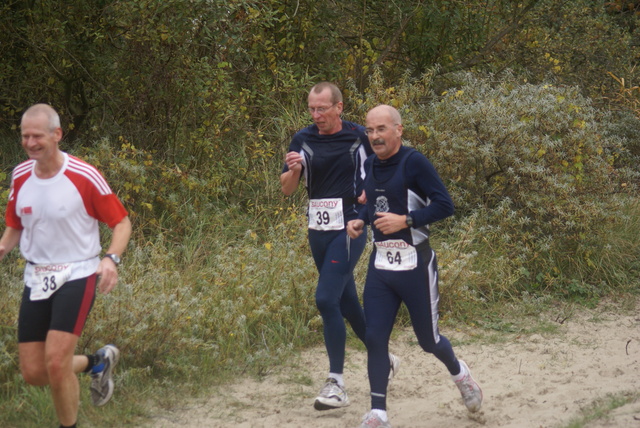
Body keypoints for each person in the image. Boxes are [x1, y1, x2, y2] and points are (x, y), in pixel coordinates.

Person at [346, 105, 483, 428]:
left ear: (398, 130)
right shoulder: (369, 163)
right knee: (375, 337)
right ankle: (378, 412)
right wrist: (359, 221)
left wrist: (406, 220)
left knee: (428, 341)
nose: (375, 136)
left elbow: (445, 205)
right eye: (370, 130)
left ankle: (461, 375)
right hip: (381, 265)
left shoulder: (414, 162)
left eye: (381, 129)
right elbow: (377, 206)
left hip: (415, 265)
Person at [0, 104, 132, 428]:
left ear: (57, 134)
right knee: (33, 372)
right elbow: (16, 224)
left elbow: (122, 222)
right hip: (37, 275)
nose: (30, 143)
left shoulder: (82, 175)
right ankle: (96, 362)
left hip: (77, 272)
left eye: (37, 136)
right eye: (24, 136)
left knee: (57, 363)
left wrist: (110, 259)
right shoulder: (20, 175)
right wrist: (3, 246)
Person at [280, 83, 399, 411]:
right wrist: (294, 170)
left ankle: (336, 383)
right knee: (346, 304)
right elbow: (288, 189)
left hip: (351, 226)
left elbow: (387, 166)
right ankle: (384, 359)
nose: (316, 115)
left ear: (339, 107)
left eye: (322, 108)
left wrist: (370, 193)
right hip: (318, 228)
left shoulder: (360, 136)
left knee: (325, 298)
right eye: (311, 109)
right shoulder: (302, 139)